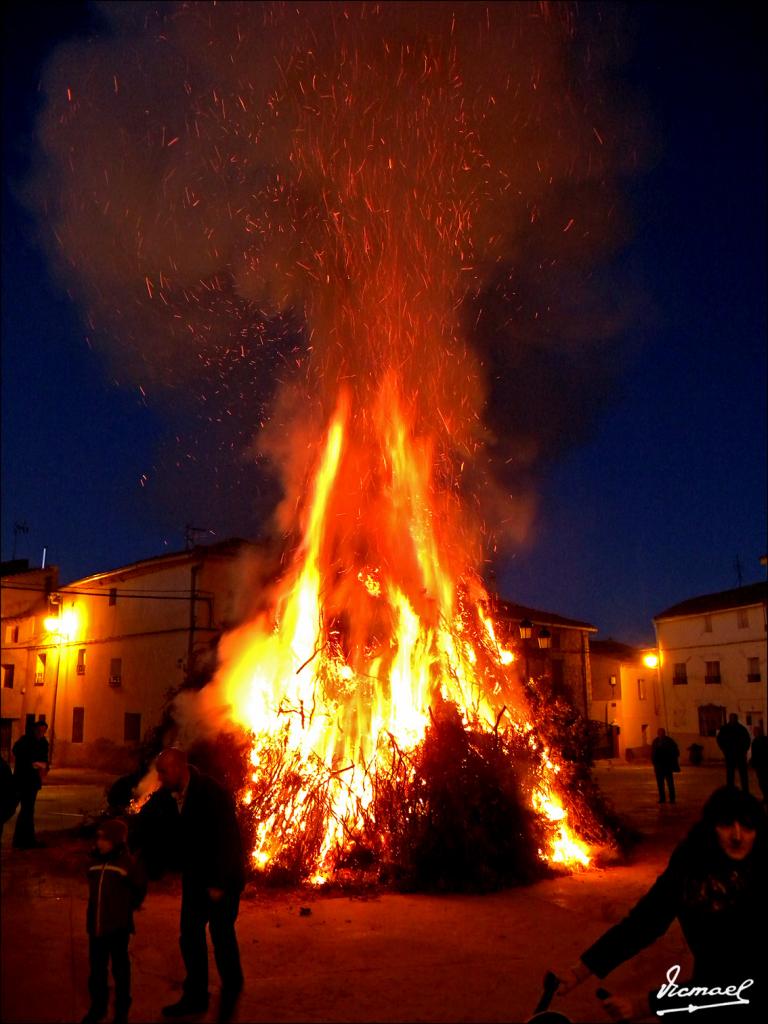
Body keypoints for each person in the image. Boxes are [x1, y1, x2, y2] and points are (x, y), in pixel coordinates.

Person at [554, 787, 768, 1022]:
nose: (737, 836)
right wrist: (579, 972)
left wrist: (646, 1005)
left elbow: (738, 975)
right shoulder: (690, 868)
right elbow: (644, 922)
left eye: (748, 827)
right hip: (709, 990)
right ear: (710, 828)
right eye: (726, 824)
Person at [150, 748, 245, 1022]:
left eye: (163, 771)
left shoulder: (213, 793)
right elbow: (162, 829)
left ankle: (231, 991)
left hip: (221, 880)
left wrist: (217, 883)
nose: (159, 776)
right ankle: (195, 996)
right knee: (190, 935)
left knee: (221, 935)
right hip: (195, 877)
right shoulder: (170, 794)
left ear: (180, 768)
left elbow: (227, 841)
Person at [83, 818, 146, 1024]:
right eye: (99, 838)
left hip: (118, 927)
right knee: (97, 969)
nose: (100, 843)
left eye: (106, 839)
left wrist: (129, 906)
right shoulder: (95, 862)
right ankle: (98, 1006)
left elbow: (139, 887)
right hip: (96, 926)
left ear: (117, 842)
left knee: (120, 968)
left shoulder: (126, 864)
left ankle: (121, 1008)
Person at [12, 719, 49, 848]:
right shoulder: (25, 740)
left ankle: (25, 840)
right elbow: (16, 751)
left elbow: (44, 759)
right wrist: (30, 762)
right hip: (22, 780)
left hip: (33, 782)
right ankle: (22, 841)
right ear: (35, 730)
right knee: (23, 810)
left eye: (44, 731)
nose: (41, 733)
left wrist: (43, 767)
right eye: (39, 730)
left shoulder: (43, 743)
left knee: (28, 810)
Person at [716, 713, 751, 792]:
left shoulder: (741, 729)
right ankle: (731, 789)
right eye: (732, 718)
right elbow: (719, 740)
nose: (733, 720)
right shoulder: (726, 729)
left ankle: (744, 790)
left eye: (734, 718)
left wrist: (744, 750)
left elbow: (747, 740)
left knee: (742, 774)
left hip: (739, 754)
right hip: (731, 754)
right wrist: (724, 750)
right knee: (731, 774)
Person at [651, 728, 679, 804]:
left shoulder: (669, 741)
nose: (660, 734)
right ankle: (662, 798)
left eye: (661, 733)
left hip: (667, 766)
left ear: (664, 733)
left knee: (670, 783)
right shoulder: (656, 741)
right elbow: (653, 753)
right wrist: (654, 763)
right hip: (659, 766)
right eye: (659, 733)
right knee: (660, 784)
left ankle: (672, 798)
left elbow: (675, 752)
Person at [749, 725, 768, 804]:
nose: (753, 733)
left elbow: (755, 754)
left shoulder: (756, 742)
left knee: (763, 782)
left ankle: (766, 797)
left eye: (755, 731)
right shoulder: (765, 740)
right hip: (763, 764)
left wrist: (752, 762)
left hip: (761, 765)